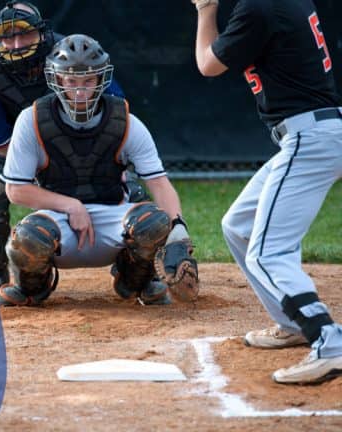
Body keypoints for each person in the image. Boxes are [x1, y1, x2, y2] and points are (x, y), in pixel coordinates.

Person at [192, 0, 342, 384]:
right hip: (312, 134)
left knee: (266, 253)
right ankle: (291, 323)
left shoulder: (259, 6)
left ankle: (329, 342)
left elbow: (208, 64)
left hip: (309, 138)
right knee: (237, 225)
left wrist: (205, 10)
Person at [0, 34, 199, 308]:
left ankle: (135, 282)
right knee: (28, 237)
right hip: (59, 221)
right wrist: (71, 205)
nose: (80, 91)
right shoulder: (31, 120)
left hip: (113, 219)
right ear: (57, 79)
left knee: (154, 223)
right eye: (71, 81)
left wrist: (178, 232)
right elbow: (15, 190)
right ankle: (32, 287)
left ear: (101, 79)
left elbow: (159, 184)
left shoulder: (126, 122)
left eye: (88, 81)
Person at [0, 2, 133, 296]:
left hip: (91, 152)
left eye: (24, 34)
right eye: (7, 37)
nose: (16, 44)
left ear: (42, 32)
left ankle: (134, 269)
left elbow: (115, 119)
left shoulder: (75, 55)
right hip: (31, 161)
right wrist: (36, 170)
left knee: (130, 182)